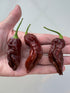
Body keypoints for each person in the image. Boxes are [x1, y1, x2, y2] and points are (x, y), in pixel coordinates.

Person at [0, 5, 70, 76]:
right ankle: (28, 68)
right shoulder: (18, 41)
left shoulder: (22, 40)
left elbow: (37, 50)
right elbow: (36, 50)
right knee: (35, 53)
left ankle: (58, 70)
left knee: (39, 53)